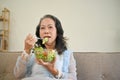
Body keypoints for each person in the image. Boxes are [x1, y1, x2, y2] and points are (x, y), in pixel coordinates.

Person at [14, 14, 77, 80]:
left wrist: (54, 71)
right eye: (42, 28)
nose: (46, 31)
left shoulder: (67, 54)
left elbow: (73, 78)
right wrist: (26, 50)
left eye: (50, 27)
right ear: (39, 33)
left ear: (57, 31)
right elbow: (18, 76)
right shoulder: (33, 53)